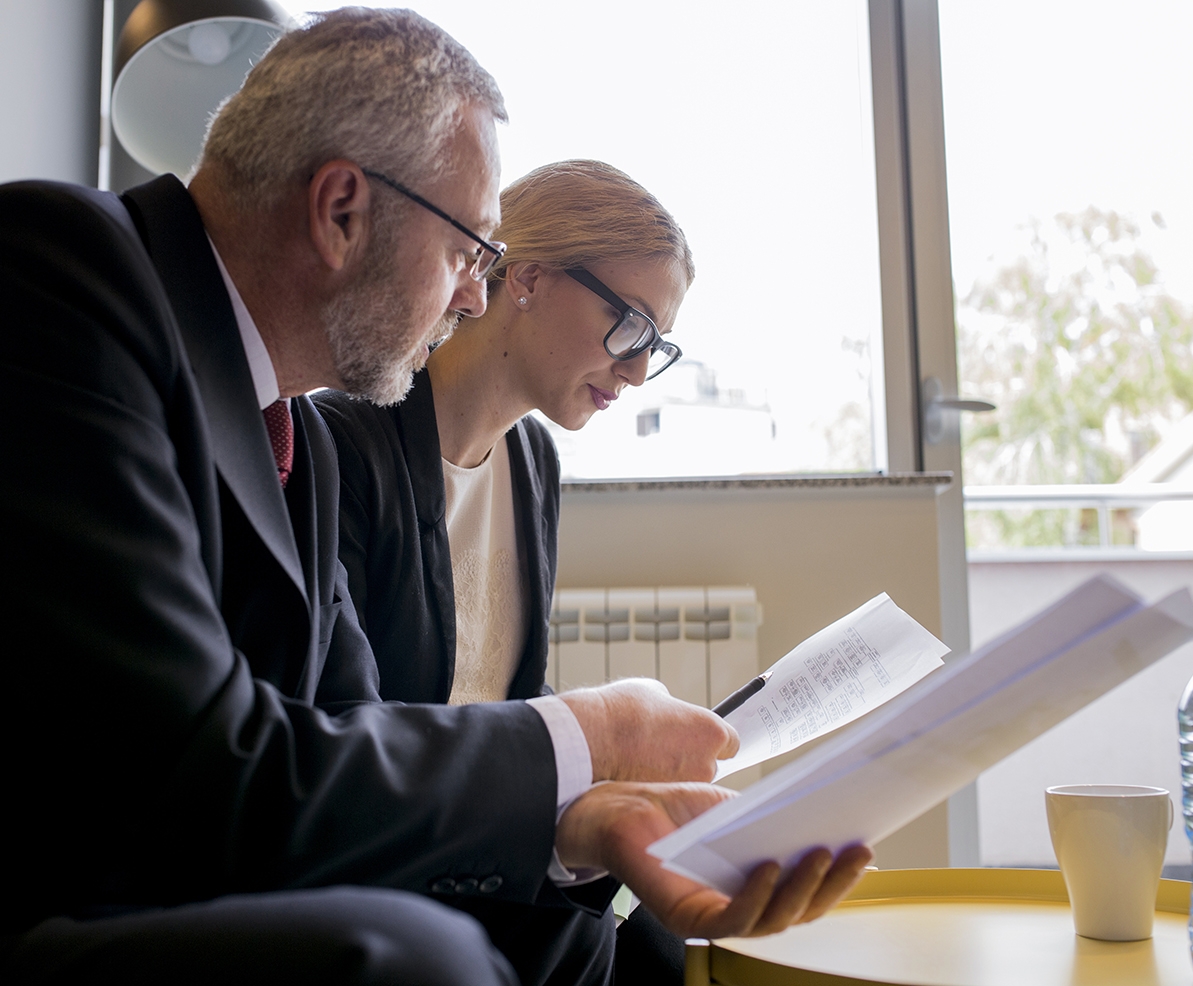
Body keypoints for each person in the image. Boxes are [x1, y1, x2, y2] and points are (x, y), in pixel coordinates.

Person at [0, 8, 870, 986]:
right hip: (61, 900)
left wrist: (578, 822)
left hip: (180, 884)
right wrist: (585, 736)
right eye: (467, 251)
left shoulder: (291, 441)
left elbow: (335, 746)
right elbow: (196, 769)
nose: (468, 296)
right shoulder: (59, 275)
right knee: (422, 957)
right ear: (341, 211)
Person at [315, 159, 695, 983]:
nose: (635, 372)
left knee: (687, 943)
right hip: (405, 860)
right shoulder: (342, 440)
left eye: (656, 347)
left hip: (504, 851)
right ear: (525, 278)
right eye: (630, 326)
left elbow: (514, 693)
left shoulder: (533, 462)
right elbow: (345, 730)